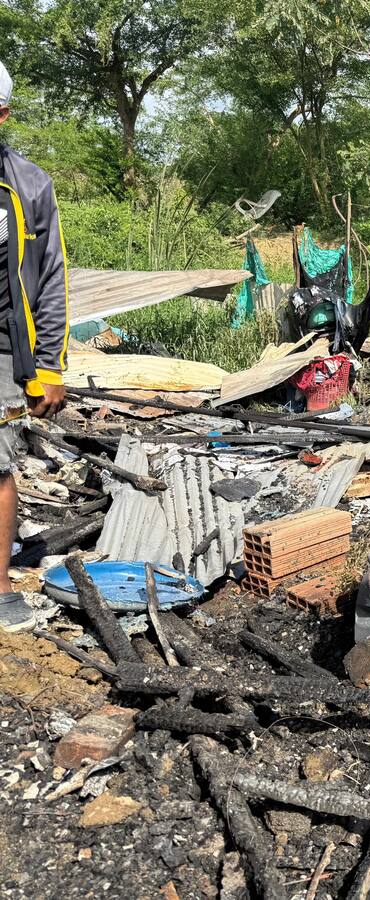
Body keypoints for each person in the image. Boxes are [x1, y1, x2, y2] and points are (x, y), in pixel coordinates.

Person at [0, 61, 71, 631]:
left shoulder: (28, 185)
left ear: (2, 114)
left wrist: (49, 364)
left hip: (3, 351)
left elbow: (50, 278)